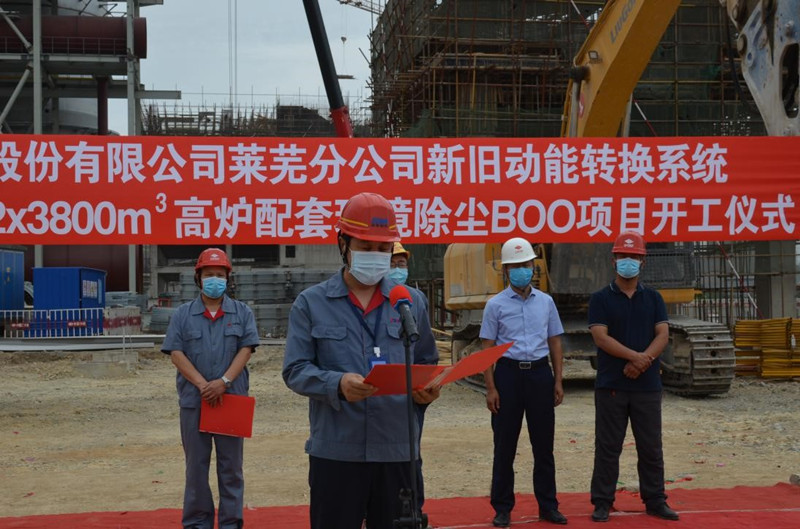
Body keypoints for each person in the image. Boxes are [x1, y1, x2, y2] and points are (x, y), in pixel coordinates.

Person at [282, 192, 440, 529]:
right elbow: (295, 370)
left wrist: (427, 391)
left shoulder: (411, 302)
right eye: (366, 247)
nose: (376, 256)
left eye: (383, 249)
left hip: (398, 451)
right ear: (343, 244)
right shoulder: (311, 303)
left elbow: (427, 362)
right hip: (337, 451)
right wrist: (336, 383)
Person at [161, 247, 260, 529]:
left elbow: (246, 349)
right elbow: (176, 353)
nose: (214, 279)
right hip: (195, 401)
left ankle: (231, 522)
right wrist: (203, 385)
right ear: (198, 278)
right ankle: (197, 522)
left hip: (232, 400)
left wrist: (224, 382)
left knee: (231, 468)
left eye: (220, 274)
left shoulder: (242, 312)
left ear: (228, 279)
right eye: (209, 274)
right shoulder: (183, 315)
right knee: (195, 468)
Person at [587, 231, 679, 523]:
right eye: (623, 256)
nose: (629, 261)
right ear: (614, 260)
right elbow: (601, 337)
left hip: (647, 386)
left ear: (643, 261)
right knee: (607, 447)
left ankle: (655, 500)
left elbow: (662, 334)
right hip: (612, 385)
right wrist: (635, 358)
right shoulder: (600, 298)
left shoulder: (653, 298)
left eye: (634, 257)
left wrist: (643, 361)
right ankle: (602, 502)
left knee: (651, 447)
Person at [479, 237, 567, 527]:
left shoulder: (546, 302)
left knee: (544, 446)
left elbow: (554, 341)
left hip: (540, 374)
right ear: (506, 270)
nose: (522, 270)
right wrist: (491, 388)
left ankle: (548, 506)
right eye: (515, 266)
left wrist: (558, 380)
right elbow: (486, 349)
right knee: (504, 446)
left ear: (533, 266)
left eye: (526, 264)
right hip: (508, 375)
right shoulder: (495, 305)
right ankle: (502, 508)